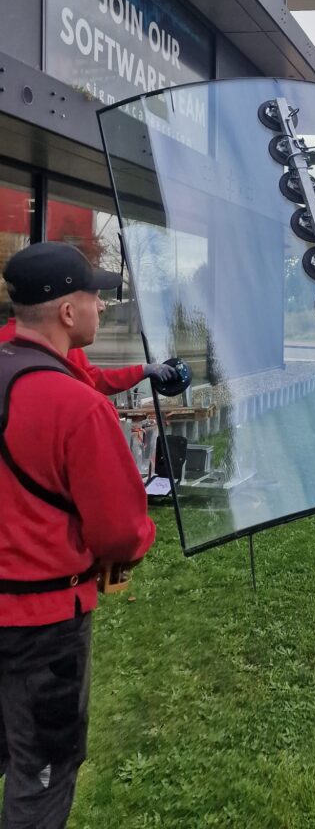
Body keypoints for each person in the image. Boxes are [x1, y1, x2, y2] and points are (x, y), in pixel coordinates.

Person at [0, 242, 156, 828]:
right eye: (96, 296)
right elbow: (121, 533)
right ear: (69, 312)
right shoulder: (77, 407)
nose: (103, 308)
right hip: (42, 628)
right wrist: (144, 538)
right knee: (40, 771)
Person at [0, 315, 176, 395]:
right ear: (67, 309)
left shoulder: (4, 339)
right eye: (92, 296)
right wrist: (143, 370)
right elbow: (94, 382)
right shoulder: (59, 343)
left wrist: (142, 370)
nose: (101, 306)